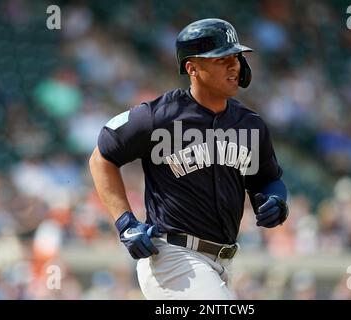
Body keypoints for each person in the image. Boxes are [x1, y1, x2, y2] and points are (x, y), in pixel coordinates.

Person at [89, 18, 289, 300]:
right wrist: (125, 222)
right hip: (173, 258)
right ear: (192, 68)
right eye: (222, 59)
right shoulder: (158, 116)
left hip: (223, 263)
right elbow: (102, 158)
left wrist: (276, 199)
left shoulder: (250, 124)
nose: (235, 66)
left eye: (237, 57)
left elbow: (268, 180)